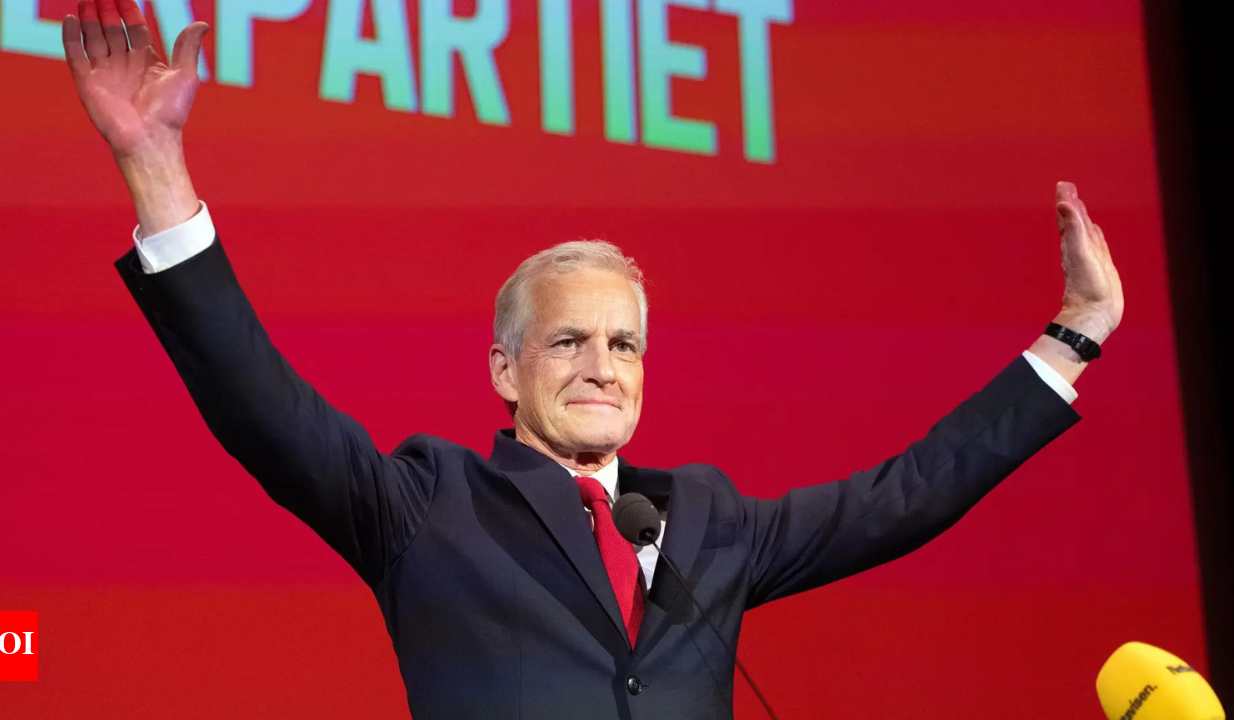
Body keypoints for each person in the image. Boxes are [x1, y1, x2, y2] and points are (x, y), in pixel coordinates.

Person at [61, 1, 1125, 718]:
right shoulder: (427, 506)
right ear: (503, 371)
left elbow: (906, 496)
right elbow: (263, 407)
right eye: (568, 341)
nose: (601, 367)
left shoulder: (705, 520)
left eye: (623, 344)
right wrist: (156, 168)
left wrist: (1073, 331)